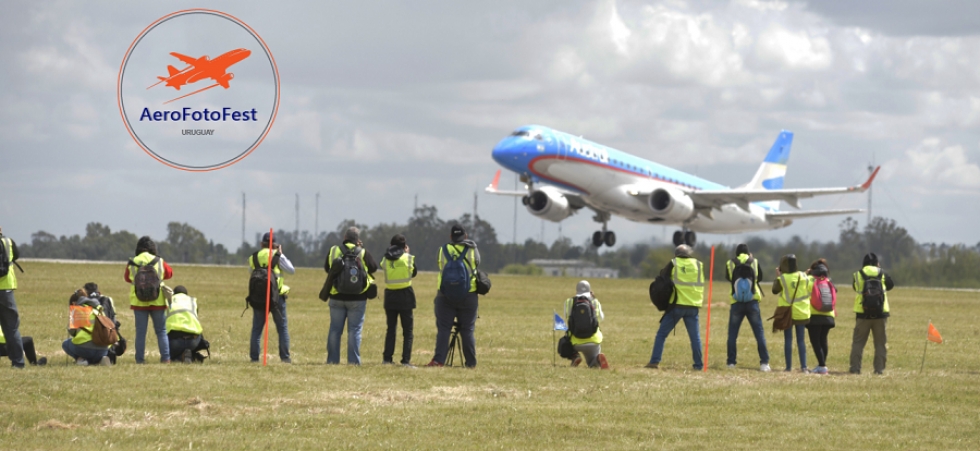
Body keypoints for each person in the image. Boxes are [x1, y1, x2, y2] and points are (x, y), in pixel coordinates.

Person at [427, 224, 480, 368]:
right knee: (467, 330)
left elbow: (440, 266)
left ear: (451, 237)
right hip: (469, 294)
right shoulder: (472, 249)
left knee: (444, 329)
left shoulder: (442, 250)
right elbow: (477, 264)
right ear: (465, 236)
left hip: (445, 295)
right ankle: (471, 363)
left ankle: (439, 361)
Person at [325, 227, 377, 365]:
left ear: (344, 237)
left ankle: (332, 361)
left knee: (335, 329)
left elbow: (327, 268)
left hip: (336, 296)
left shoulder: (334, 250)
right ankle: (353, 362)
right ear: (357, 240)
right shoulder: (362, 252)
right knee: (354, 330)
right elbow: (373, 267)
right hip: (357, 298)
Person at [646, 244, 704, 370]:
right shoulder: (698, 265)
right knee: (695, 338)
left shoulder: (673, 263)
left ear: (675, 254)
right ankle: (698, 365)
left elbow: (662, 280)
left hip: (677, 305)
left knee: (661, 334)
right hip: (693, 306)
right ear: (689, 254)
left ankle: (654, 362)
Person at [125, 236, 173, 363]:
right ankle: (166, 358)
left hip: (138, 302)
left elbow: (127, 278)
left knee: (141, 332)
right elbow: (169, 274)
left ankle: (140, 360)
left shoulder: (133, 261)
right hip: (157, 301)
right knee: (161, 331)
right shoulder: (159, 261)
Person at [724, 243, 770, 372]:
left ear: (736, 253)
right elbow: (759, 277)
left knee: (733, 333)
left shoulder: (730, 263)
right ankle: (764, 363)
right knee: (759, 333)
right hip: (752, 301)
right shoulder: (754, 261)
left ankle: (731, 362)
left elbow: (729, 277)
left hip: (736, 301)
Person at [249, 232, 294, 363]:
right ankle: (285, 358)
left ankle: (254, 358)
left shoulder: (254, 256)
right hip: (277, 297)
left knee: (257, 329)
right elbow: (291, 270)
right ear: (274, 244)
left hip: (258, 296)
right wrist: (280, 253)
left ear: (261, 244)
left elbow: (250, 272)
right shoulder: (277, 255)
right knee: (282, 328)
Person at [849, 252, 895, 375]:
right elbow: (891, 285)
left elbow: (855, 287)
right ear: (876, 263)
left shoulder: (858, 274)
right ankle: (879, 370)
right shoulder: (882, 273)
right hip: (881, 313)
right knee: (880, 343)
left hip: (863, 313)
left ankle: (855, 369)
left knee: (858, 343)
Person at [380, 234, 417, 366]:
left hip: (390, 296)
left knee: (391, 329)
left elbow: (385, 265)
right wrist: (407, 253)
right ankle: (406, 360)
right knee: (407, 331)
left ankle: (387, 359)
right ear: (404, 246)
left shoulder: (385, 259)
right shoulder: (407, 258)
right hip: (405, 295)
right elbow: (414, 273)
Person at [772, 254, 812, 373]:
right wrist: (805, 273)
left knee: (788, 339)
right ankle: (804, 367)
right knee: (801, 340)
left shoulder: (783, 279)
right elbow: (808, 286)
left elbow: (775, 290)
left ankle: (788, 367)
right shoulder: (803, 276)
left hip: (787, 313)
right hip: (801, 312)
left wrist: (778, 276)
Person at [563, 280, 609, 369]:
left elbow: (567, 317)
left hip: (575, 341)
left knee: (563, 342)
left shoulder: (569, 302)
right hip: (594, 340)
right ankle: (596, 359)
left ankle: (574, 355)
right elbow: (600, 318)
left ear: (577, 290)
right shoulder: (595, 301)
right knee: (591, 363)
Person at [63, 289, 111, 366]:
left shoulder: (77, 310)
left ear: (74, 303)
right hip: (103, 349)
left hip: (85, 349)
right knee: (94, 352)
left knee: (66, 344)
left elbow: (72, 332)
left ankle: (81, 360)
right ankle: (101, 359)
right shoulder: (99, 309)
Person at [0, 227, 26, 368]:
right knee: (12, 328)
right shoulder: (8, 242)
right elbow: (16, 255)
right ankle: (18, 362)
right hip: (6, 289)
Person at [83, 282, 127, 364]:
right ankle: (105, 356)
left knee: (69, 344)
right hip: (109, 341)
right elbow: (114, 320)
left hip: (89, 341)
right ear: (99, 292)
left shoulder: (83, 302)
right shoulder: (108, 300)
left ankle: (83, 359)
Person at [806, 259, 836, 375]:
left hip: (814, 315)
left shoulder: (810, 279)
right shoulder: (829, 281)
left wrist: (807, 274)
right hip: (829, 315)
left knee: (815, 341)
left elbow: (801, 285)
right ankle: (821, 365)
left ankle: (822, 366)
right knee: (823, 340)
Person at [166, 286, 208, 364]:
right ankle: (189, 354)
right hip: (193, 341)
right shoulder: (192, 301)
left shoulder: (168, 301)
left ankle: (181, 356)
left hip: (175, 341)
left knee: (170, 357)